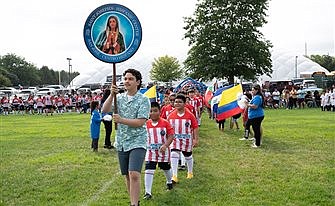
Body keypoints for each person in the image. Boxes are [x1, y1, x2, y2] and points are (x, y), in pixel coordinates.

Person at [102, 68, 150, 206]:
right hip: (122, 141)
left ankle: (134, 204)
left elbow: (140, 122)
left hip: (137, 141)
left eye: (130, 79)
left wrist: (121, 120)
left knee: (134, 173)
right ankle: (134, 201)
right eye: (125, 78)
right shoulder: (119, 98)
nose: (127, 81)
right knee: (127, 176)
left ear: (138, 82)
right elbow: (104, 110)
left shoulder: (144, 99)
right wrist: (111, 95)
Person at [143, 102, 175, 200]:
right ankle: (148, 192)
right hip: (150, 152)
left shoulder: (165, 123)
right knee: (149, 169)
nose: (153, 113)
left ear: (160, 111)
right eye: (151, 111)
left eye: (155, 111)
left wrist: (165, 145)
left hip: (163, 152)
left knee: (165, 167)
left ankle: (169, 181)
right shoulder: (146, 124)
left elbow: (171, 135)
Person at [167, 94, 199, 183]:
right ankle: (174, 175)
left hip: (186, 140)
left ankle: (190, 172)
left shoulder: (190, 115)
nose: (177, 104)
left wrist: (196, 139)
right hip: (175, 139)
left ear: (184, 103)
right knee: (174, 154)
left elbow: (195, 127)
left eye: (180, 102)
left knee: (188, 155)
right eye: (176, 102)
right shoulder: (170, 115)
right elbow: (167, 128)